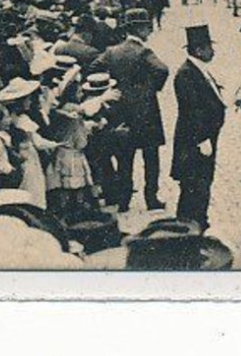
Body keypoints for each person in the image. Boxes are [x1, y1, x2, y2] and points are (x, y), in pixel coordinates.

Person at [91, 18, 170, 213]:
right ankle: (151, 198)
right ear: (138, 29)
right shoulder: (143, 52)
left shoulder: (112, 52)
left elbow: (93, 68)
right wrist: (149, 89)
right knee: (151, 157)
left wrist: (111, 87)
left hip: (120, 111)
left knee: (124, 157)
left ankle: (124, 200)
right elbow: (162, 69)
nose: (149, 31)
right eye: (146, 27)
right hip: (146, 112)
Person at [171, 23, 226, 230]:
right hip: (194, 143)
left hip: (204, 141)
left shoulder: (198, 70)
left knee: (202, 185)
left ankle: (199, 223)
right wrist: (202, 139)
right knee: (193, 187)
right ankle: (188, 228)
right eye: (209, 47)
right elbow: (191, 110)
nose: (213, 51)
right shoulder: (186, 74)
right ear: (199, 50)